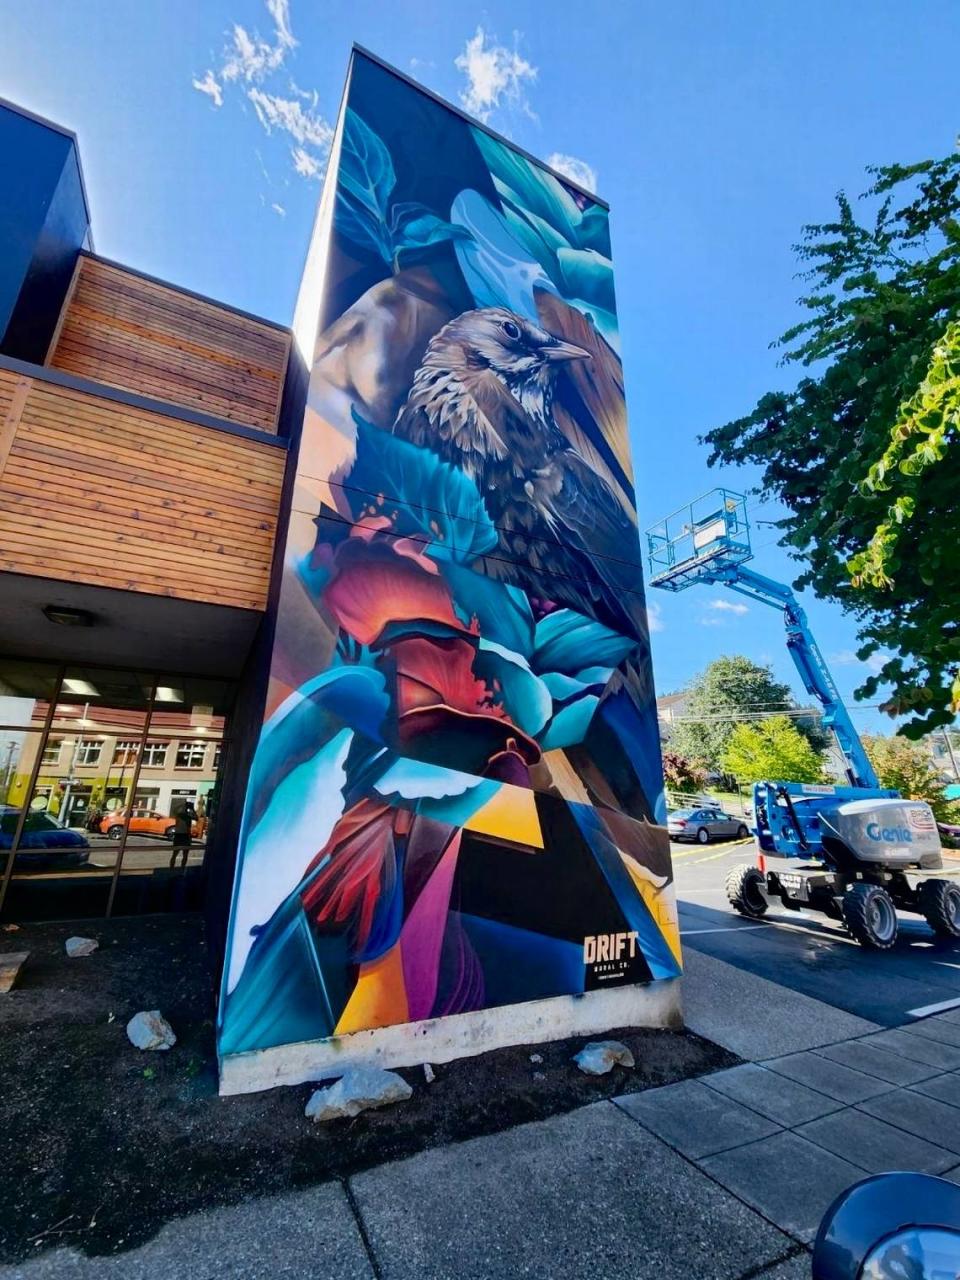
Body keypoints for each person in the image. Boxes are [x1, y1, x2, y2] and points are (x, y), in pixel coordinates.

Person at [169, 800, 198, 870]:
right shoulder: (183, 815)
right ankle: (178, 869)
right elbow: (196, 818)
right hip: (183, 836)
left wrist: (191, 808)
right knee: (180, 854)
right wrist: (189, 807)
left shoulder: (183, 815)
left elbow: (196, 818)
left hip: (182, 835)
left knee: (177, 854)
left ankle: (173, 869)